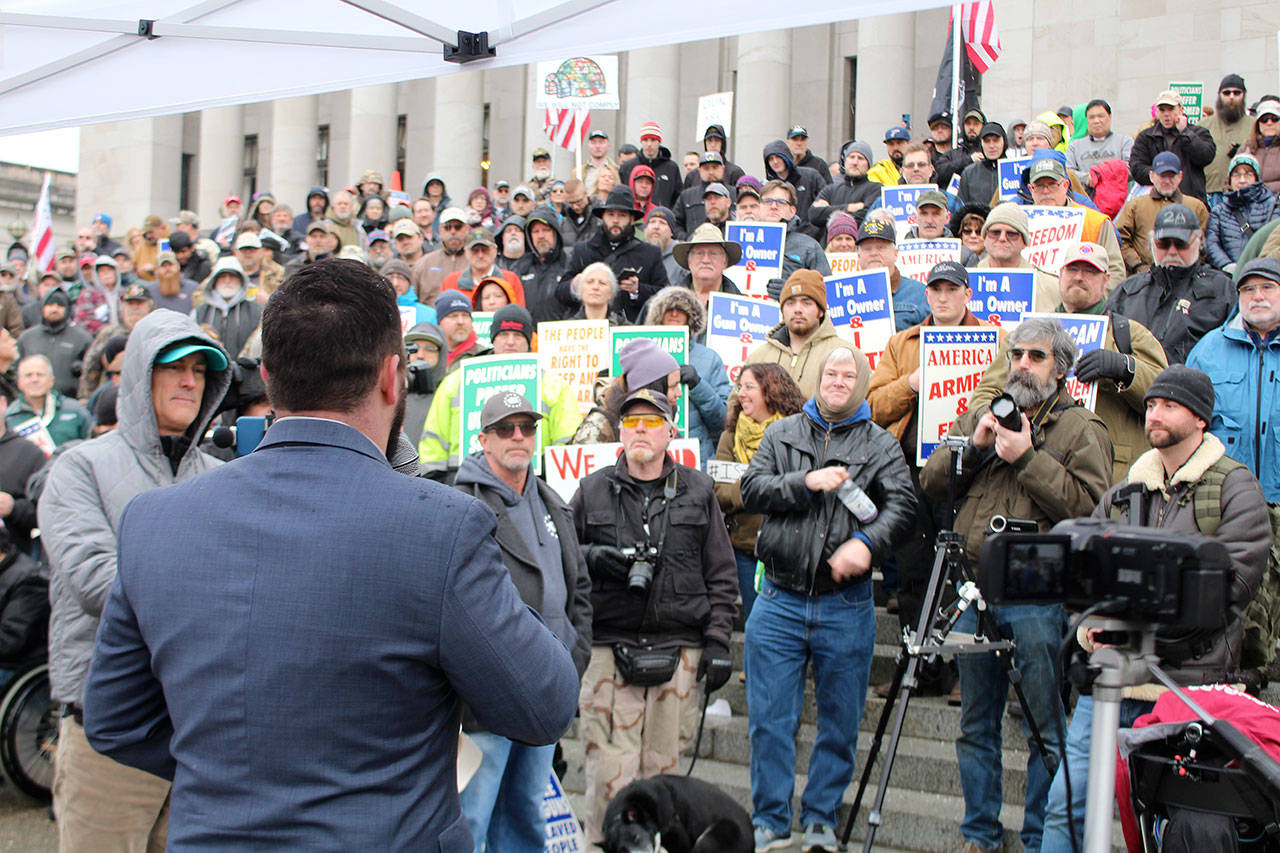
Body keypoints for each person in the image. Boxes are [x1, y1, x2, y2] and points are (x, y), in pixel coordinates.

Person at [80, 261, 578, 849]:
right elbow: (544, 702)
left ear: (270, 377)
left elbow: (116, 721)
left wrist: (236, 770)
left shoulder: (155, 520)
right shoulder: (441, 528)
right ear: (393, 377)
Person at [1039, 365, 1271, 853]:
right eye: (1150, 405)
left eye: (1169, 405)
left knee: (1173, 823)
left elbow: (1229, 590)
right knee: (1065, 809)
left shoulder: (1236, 488)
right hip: (1109, 685)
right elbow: (1083, 579)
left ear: (1201, 419)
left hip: (1188, 692)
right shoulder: (1125, 491)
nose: (1154, 413)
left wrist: (1137, 631)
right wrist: (1091, 631)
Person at [40, 310, 232, 850]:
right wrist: (213, 595)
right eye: (174, 367)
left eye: (200, 369)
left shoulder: (223, 479)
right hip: (109, 734)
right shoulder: (80, 468)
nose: (190, 381)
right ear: (140, 374)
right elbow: (96, 581)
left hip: (199, 733)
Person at [919, 317, 1112, 853]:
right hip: (974, 591)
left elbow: (1089, 508)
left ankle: (1037, 840)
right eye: (1017, 354)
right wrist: (976, 444)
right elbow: (932, 483)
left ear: (1061, 368)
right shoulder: (989, 413)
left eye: (1036, 356)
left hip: (1036, 597)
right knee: (974, 723)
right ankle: (979, 836)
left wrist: (1027, 458)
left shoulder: (1081, 429)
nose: (1022, 364)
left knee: (1043, 729)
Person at [740, 346, 915, 851]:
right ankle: (770, 820)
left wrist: (865, 543)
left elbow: (902, 508)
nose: (838, 381)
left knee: (839, 724)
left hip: (846, 606)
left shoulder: (881, 444)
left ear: (861, 383)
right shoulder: (781, 432)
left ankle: (820, 818)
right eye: (831, 373)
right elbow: (752, 490)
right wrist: (806, 482)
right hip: (778, 600)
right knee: (770, 722)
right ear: (817, 378)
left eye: (848, 374)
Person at [570, 387, 737, 843]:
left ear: (671, 431)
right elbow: (561, 559)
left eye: (651, 421)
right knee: (609, 780)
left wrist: (719, 641)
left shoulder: (699, 491)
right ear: (619, 431)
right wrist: (591, 555)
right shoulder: (591, 489)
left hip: (678, 650)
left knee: (663, 783)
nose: (640, 429)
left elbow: (721, 573)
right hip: (608, 650)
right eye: (630, 422)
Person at [454, 391, 592, 851]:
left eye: (527, 427)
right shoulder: (458, 503)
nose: (518, 437)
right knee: (472, 817)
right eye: (504, 428)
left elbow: (579, 590)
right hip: (486, 703)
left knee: (527, 814)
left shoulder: (553, 500)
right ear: (483, 439)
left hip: (542, 694)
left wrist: (574, 659)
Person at [867, 261, 996, 697]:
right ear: (926, 296)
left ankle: (965, 673)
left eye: (951, 289)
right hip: (912, 473)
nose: (942, 297)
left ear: (967, 295)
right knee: (912, 573)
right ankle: (918, 667)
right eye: (935, 290)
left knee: (968, 574)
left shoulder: (995, 342)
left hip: (969, 472)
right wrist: (913, 382)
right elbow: (874, 404)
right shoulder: (902, 343)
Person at [973, 242, 1168, 483]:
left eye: (1090, 271)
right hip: (1034, 465)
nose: (1079, 277)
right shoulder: (1026, 334)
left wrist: (1125, 369)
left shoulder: (1129, 334)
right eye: (1072, 269)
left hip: (1111, 472)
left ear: (1106, 280)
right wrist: (997, 420)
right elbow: (986, 393)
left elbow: (1166, 396)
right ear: (1060, 276)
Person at [419, 304, 577, 482]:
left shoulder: (553, 384)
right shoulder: (456, 381)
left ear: (528, 340)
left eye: (517, 335)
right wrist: (439, 482)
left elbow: (567, 443)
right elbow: (434, 441)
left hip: (532, 481)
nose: (510, 341)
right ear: (493, 339)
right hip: (462, 483)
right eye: (503, 334)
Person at [712, 363, 805, 619]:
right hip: (745, 549)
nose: (740, 393)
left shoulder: (799, 434)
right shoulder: (730, 436)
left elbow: (800, 489)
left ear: (771, 391)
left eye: (748, 387)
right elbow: (719, 492)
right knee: (758, 624)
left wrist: (751, 489)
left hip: (789, 548)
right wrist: (761, 488)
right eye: (739, 386)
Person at [1187, 257, 1280, 502]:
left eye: (1267, 287)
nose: (1257, 296)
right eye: (1248, 289)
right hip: (1224, 499)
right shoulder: (1207, 350)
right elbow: (1187, 425)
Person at [1107, 203, 1236, 365]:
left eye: (1181, 244)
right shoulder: (1127, 291)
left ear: (1198, 242)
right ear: (1152, 242)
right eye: (1164, 243)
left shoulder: (1222, 289)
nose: (1172, 251)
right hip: (1134, 386)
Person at [643, 286, 730, 464]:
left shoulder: (710, 358)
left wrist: (698, 385)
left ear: (691, 317)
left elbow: (723, 420)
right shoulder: (642, 354)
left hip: (695, 457)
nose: (674, 313)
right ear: (658, 315)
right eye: (669, 308)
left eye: (681, 309)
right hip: (651, 454)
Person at [557, 186, 669, 323]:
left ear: (632, 219)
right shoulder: (583, 250)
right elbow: (560, 293)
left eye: (622, 215)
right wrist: (576, 285)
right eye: (611, 214)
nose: (615, 220)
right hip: (589, 331)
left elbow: (665, 295)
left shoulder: (649, 253)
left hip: (631, 333)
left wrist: (637, 290)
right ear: (603, 217)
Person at [1023, 156, 1127, 288]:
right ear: (1031, 189)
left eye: (1052, 184)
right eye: (1039, 186)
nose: (1046, 191)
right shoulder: (1019, 222)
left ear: (1066, 185)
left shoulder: (1095, 222)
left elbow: (1115, 272)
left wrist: (1094, 304)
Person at [745, 270, 845, 398]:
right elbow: (736, 406)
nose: (798, 309)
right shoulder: (758, 358)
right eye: (790, 303)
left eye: (806, 303)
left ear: (820, 311)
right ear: (782, 310)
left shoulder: (844, 355)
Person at [1115, 151, 1211, 274]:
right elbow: (1120, 239)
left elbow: (1203, 244)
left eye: (1171, 176)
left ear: (1180, 177)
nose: (1167, 181)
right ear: (1152, 176)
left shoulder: (1196, 207)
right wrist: (1139, 266)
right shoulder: (1135, 206)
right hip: (1143, 278)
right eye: (1162, 176)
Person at [1130, 89, 1217, 205]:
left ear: (1181, 109)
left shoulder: (1198, 133)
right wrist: (1161, 176)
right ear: (1157, 111)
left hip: (1190, 202)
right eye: (1162, 110)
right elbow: (1136, 168)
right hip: (1156, 203)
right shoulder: (1146, 137)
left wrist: (1185, 133)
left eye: (1171, 109)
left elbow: (1206, 156)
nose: (1166, 114)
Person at [1204, 153, 1278, 271]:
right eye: (1236, 175)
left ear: (1256, 178)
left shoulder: (1273, 205)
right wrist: (1227, 265)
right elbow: (1212, 243)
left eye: (1248, 174)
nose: (1242, 180)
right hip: (1230, 276)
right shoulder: (1219, 211)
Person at [854, 218, 929, 331]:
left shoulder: (920, 293)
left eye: (881, 247)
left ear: (895, 253)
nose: (874, 253)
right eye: (867, 249)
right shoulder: (846, 294)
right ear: (859, 257)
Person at [5, 353, 90, 449]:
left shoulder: (75, 411)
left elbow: (90, 444)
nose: (35, 379)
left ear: (51, 380)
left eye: (40, 375)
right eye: (28, 375)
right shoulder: (9, 417)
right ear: (19, 383)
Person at [17, 289, 91, 398]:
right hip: (32, 400)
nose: (54, 309)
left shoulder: (82, 338)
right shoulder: (27, 338)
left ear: (67, 310)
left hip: (70, 399)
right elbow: (15, 369)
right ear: (43, 308)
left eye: (60, 306)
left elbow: (92, 371)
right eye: (50, 305)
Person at [758, 180, 832, 283]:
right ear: (758, 207)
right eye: (768, 201)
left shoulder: (809, 247)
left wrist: (792, 290)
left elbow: (825, 288)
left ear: (792, 211)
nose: (774, 206)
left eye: (781, 202)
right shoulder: (741, 242)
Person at [1196, 75, 1251, 206]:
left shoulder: (1254, 125)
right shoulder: (1203, 125)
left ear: (1243, 95)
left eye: (1236, 92)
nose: (1231, 96)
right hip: (1209, 192)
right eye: (1227, 93)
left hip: (1243, 194)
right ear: (1219, 95)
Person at [193, 256, 263, 359]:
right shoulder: (200, 312)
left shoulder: (256, 311)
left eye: (232, 276)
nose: (227, 281)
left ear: (241, 280)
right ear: (214, 281)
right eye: (222, 276)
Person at [515, 205, 573, 323]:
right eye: (536, 231)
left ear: (555, 232)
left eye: (546, 230)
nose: (541, 236)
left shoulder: (570, 265)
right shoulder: (520, 267)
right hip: (529, 338)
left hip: (560, 336)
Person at [808, 140, 881, 233]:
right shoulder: (830, 190)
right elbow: (814, 214)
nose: (855, 162)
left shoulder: (876, 189)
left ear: (868, 165)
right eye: (851, 157)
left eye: (861, 158)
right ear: (845, 161)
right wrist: (849, 208)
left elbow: (864, 217)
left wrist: (829, 211)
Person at [441, 229, 525, 307]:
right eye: (475, 250)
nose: (480, 255)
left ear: (495, 251)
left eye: (485, 250)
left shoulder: (511, 279)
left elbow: (520, 315)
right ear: (466, 253)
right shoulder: (451, 282)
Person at [671, 222, 743, 309]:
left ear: (725, 262)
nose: (706, 260)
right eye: (699, 253)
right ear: (689, 261)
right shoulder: (667, 302)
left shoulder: (742, 306)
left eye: (713, 254)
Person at [762, 140, 826, 235]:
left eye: (778, 157)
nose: (775, 162)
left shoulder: (811, 176)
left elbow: (825, 201)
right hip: (779, 236)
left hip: (811, 235)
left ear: (786, 157)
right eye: (771, 159)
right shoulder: (766, 186)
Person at [412, 207, 470, 306]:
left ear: (467, 229)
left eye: (458, 227)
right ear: (440, 230)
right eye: (447, 227)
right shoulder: (424, 263)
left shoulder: (476, 261)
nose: (453, 231)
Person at [618, 122, 683, 209]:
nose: (649, 144)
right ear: (641, 141)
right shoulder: (627, 167)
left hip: (662, 217)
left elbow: (678, 197)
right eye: (645, 140)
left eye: (653, 140)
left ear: (659, 142)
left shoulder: (671, 168)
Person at [402, 321, 446, 445]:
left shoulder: (448, 392)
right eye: (414, 348)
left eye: (430, 349)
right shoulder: (392, 392)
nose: (420, 355)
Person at [1064, 99, 1133, 176]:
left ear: (1109, 117)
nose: (1096, 121)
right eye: (1092, 117)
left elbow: (1131, 169)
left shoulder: (1124, 142)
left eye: (1101, 116)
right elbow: (1068, 172)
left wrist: (1100, 176)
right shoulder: (1074, 146)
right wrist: (1087, 177)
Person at [957, 122, 1008, 208]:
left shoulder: (1014, 170)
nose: (991, 145)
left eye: (996, 140)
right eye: (987, 141)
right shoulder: (969, 173)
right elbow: (962, 207)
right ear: (981, 143)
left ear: (1004, 141)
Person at [1241, 97, 1280, 194]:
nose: (1269, 123)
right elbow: (1231, 179)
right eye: (1264, 119)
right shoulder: (1247, 148)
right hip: (1249, 203)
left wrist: (1260, 189)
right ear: (1257, 123)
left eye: (1274, 119)